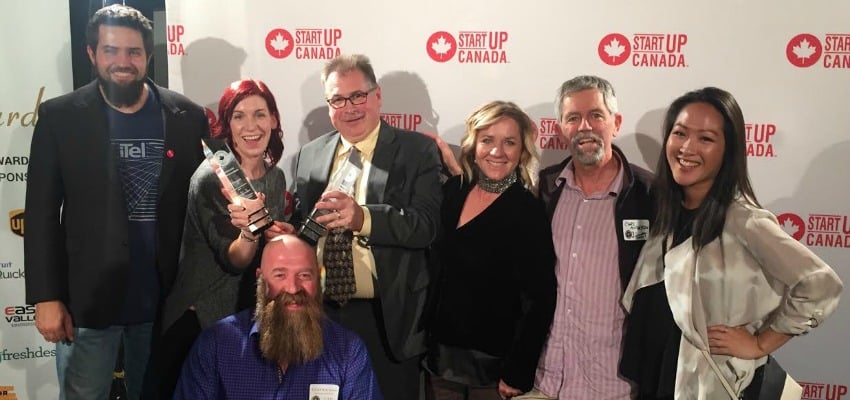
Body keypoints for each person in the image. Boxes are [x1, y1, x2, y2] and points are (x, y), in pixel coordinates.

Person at [24, 4, 208, 399]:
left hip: (163, 303)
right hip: (86, 304)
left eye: (134, 52)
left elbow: (198, 211)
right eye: (111, 50)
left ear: (148, 56)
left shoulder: (186, 117)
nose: (122, 62)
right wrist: (45, 296)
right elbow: (40, 215)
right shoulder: (60, 117)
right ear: (92, 54)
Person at [621, 87, 843, 399]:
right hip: (659, 376)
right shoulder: (668, 211)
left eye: (706, 139)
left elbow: (820, 284)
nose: (687, 147)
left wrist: (760, 343)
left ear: (729, 150)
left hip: (706, 385)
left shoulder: (743, 219)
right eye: (680, 132)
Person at [290, 53, 443, 399]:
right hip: (323, 316)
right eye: (338, 100)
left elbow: (426, 226)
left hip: (387, 318)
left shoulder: (416, 151)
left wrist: (363, 218)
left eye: (358, 96)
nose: (350, 108)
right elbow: (306, 227)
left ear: (377, 95)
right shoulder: (310, 155)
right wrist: (286, 237)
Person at [156, 79, 293, 398]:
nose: (251, 126)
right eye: (239, 116)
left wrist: (284, 236)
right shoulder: (211, 178)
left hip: (248, 319)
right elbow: (235, 260)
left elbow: (268, 256)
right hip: (199, 319)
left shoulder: (276, 177)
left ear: (273, 119)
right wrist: (249, 232)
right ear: (227, 126)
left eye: (260, 114)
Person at [526, 76, 654, 399]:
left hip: (614, 386)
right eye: (573, 118)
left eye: (596, 115)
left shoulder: (650, 195)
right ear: (561, 128)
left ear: (615, 123)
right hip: (545, 381)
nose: (585, 126)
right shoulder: (545, 188)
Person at [425, 101, 557, 400]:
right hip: (440, 361)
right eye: (487, 140)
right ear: (474, 144)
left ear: (522, 151)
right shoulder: (454, 190)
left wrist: (518, 370)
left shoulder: (528, 210)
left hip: (493, 370)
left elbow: (541, 298)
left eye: (509, 142)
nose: (497, 152)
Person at [174, 234, 382, 399]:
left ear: (318, 280)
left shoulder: (348, 350)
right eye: (280, 275)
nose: (292, 288)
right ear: (261, 280)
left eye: (304, 275)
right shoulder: (216, 344)